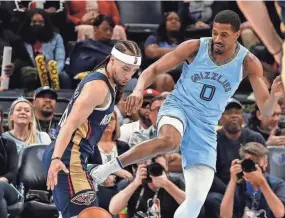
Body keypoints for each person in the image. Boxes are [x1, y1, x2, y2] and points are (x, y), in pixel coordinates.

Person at [89, 10, 284, 218]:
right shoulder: (195, 47)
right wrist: (138, 89)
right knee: (170, 141)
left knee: (194, 203)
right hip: (179, 106)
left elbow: (265, 110)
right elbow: (153, 70)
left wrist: (273, 97)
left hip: (206, 126)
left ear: (237, 34)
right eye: (215, 32)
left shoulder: (249, 62)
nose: (217, 39)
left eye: (224, 35)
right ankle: (107, 168)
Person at [43, 40, 142, 218]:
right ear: (112, 60)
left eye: (133, 71)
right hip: (67, 156)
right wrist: (56, 158)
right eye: (125, 68)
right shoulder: (98, 86)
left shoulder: (108, 82)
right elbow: (69, 124)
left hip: (74, 156)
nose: (129, 76)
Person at [220, 142, 285, 218]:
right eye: (249, 162)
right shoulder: (238, 184)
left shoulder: (278, 184)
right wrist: (232, 180)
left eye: (256, 161)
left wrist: (262, 183)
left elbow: (280, 213)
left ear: (265, 164)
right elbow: (224, 216)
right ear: (242, 163)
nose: (253, 165)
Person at [109, 155, 186, 218]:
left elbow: (191, 207)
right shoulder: (131, 184)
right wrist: (135, 183)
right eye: (151, 167)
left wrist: (167, 184)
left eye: (159, 168)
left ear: (167, 167)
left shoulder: (175, 182)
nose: (154, 171)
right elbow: (113, 209)